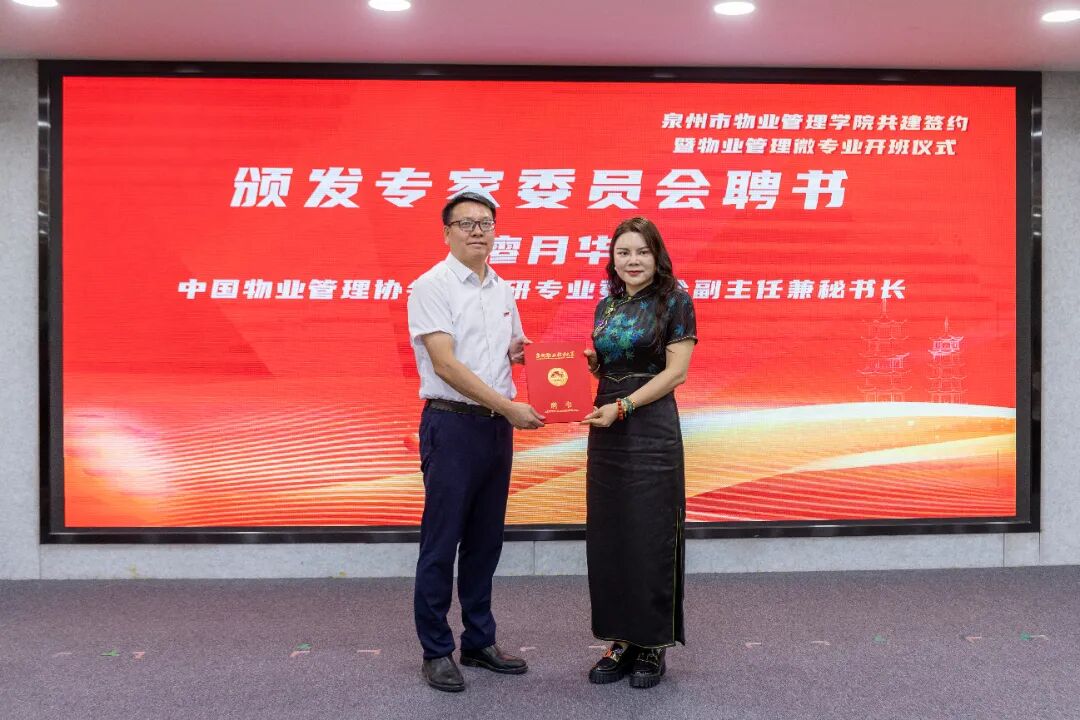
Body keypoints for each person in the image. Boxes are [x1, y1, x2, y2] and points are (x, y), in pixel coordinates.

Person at [407, 191, 545, 693]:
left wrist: (523, 354)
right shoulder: (431, 286)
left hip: (495, 429)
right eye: (466, 223)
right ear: (447, 232)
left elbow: (505, 353)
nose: (477, 231)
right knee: (442, 541)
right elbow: (445, 364)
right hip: (452, 425)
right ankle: (436, 650)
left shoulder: (502, 289)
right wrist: (508, 407)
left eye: (485, 223)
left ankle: (479, 640)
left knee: (486, 541)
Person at [581, 216, 697, 689]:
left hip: (649, 428)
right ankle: (620, 640)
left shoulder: (675, 300)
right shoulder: (605, 306)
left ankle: (651, 644)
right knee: (610, 535)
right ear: (612, 259)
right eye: (623, 252)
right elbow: (614, 366)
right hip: (608, 428)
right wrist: (592, 365)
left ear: (657, 256)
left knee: (650, 534)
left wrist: (624, 407)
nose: (633, 261)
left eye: (642, 252)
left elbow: (675, 373)